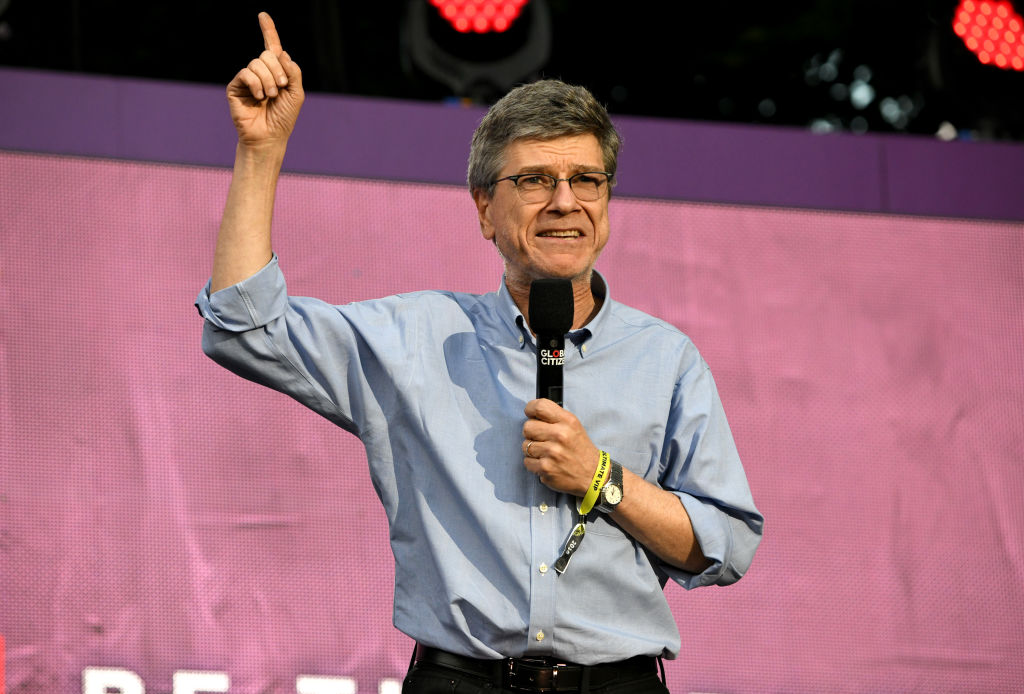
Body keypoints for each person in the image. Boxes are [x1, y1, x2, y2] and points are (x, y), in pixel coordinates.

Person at [196, 12, 763, 694]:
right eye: (533, 181)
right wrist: (260, 154)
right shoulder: (417, 339)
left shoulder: (665, 359)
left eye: (586, 180)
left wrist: (601, 478)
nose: (564, 202)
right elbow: (242, 327)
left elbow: (725, 545)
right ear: (483, 209)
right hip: (458, 681)